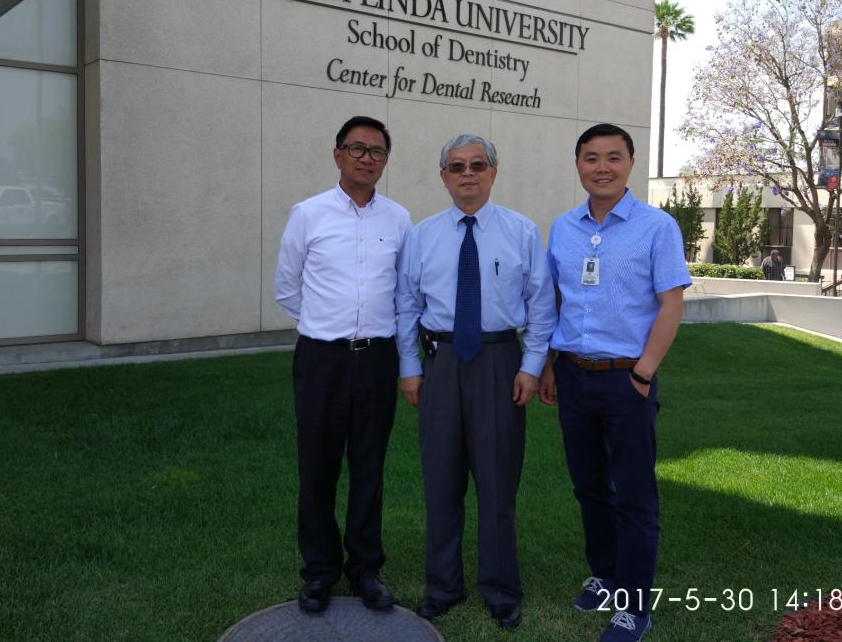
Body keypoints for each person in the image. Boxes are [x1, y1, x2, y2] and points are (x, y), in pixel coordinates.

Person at [396, 134, 556, 630]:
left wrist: (532, 366)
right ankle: (442, 586)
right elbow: (406, 305)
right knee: (441, 482)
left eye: (478, 165)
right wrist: (410, 367)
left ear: (493, 173)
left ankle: (501, 588)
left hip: (499, 363)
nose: (468, 173)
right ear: (443, 176)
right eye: (457, 166)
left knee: (497, 482)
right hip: (440, 363)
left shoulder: (522, 232)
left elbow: (541, 306)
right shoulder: (422, 236)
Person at [539, 124, 691, 642]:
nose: (601, 167)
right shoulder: (563, 228)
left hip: (628, 380)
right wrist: (549, 364)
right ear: (578, 165)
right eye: (591, 157)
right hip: (573, 377)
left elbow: (671, 303)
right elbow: (557, 300)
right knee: (589, 486)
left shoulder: (657, 227)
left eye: (613, 157)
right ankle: (605, 576)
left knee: (634, 495)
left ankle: (634, 605)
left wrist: (644, 372)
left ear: (630, 162)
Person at [274, 116, 411, 614]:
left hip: (377, 359)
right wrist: (324, 323)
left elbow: (404, 292)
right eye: (357, 148)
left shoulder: (399, 219)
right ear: (338, 155)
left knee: (369, 467)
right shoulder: (307, 214)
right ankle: (319, 571)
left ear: (385, 161)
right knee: (318, 468)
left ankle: (365, 567)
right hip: (321, 360)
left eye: (377, 151)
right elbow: (287, 287)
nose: (366, 158)